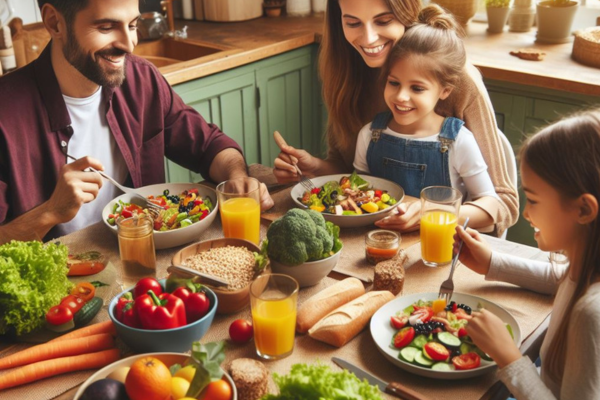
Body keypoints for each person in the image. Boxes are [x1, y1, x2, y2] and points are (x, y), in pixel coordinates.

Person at [0, 0, 273, 244]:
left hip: (141, 271)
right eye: (107, 27)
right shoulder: (6, 113)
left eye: (132, 25)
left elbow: (209, 145)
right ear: (54, 22)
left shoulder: (142, 80)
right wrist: (49, 212)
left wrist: (237, 178)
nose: (129, 43)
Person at [273, 0, 518, 235]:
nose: (368, 38)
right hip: (375, 235)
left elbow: (503, 204)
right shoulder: (345, 74)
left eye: (383, 21)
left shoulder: (456, 80)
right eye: (353, 23)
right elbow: (353, 173)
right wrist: (316, 168)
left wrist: (432, 213)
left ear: (406, 12)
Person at [454, 109, 600, 399]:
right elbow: (559, 277)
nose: (526, 213)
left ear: (583, 210)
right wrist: (491, 262)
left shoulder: (590, 314)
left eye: (532, 199)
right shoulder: (584, 268)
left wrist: (509, 357)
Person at [353, 5, 498, 230]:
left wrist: (431, 213)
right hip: (378, 244)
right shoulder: (369, 135)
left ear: (445, 91)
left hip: (437, 254)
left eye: (417, 88)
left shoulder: (458, 141)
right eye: (394, 83)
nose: (401, 96)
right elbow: (356, 196)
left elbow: (492, 209)